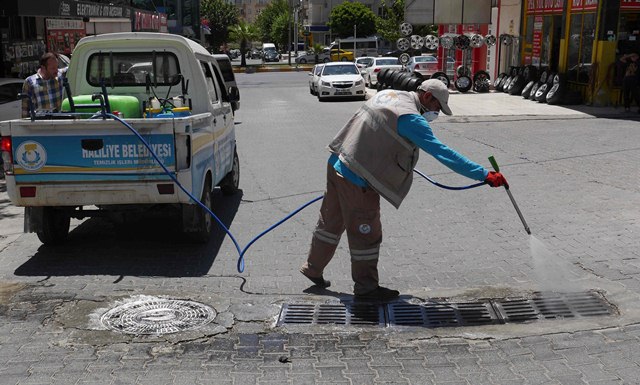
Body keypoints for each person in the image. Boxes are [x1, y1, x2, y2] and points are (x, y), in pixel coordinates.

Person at [299, 79, 508, 301]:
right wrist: (484, 175)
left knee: (330, 222)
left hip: (338, 162)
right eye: (437, 107)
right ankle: (366, 288)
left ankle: (313, 268)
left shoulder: (389, 95)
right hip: (357, 178)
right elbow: (443, 153)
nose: (436, 113)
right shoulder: (411, 119)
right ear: (427, 97)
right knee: (366, 233)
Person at [21, 52, 67, 118]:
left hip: (59, 122)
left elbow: (73, 66)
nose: (56, 70)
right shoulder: (30, 82)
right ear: (43, 68)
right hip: (40, 123)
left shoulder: (60, 75)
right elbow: (25, 108)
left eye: (57, 67)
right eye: (53, 68)